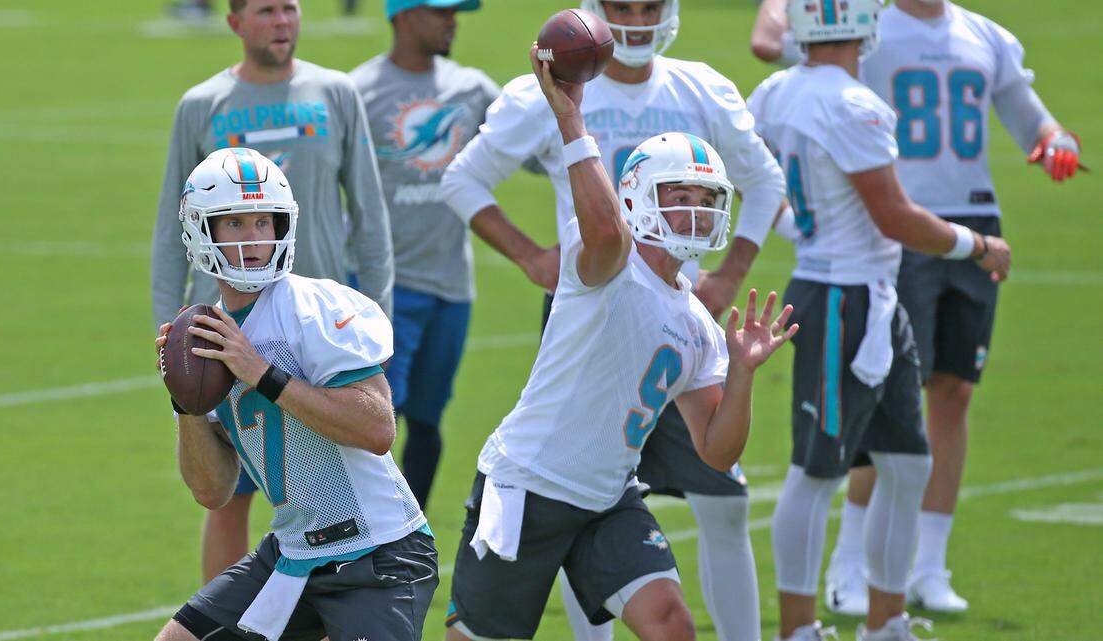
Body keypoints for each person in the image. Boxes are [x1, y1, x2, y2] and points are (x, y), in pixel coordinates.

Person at [440, 2, 785, 638]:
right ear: (636, 201)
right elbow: (601, 230)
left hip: (607, 500)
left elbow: (718, 452)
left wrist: (741, 373)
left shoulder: (699, 324)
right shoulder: (600, 261)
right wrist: (571, 118)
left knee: (672, 625)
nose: (692, 213)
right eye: (676, 197)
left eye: (705, 200)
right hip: (530, 490)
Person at [749, 0, 1084, 615]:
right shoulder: (851, 96)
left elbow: (750, 160)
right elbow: (894, 214)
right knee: (823, 465)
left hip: (871, 279)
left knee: (908, 454)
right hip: (860, 275)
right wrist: (976, 244)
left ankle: (895, 605)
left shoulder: (778, 92)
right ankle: (813, 609)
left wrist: (791, 225)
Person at [150, 0, 395, 584]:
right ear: (235, 22)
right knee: (230, 491)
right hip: (230, 326)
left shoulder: (335, 92)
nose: (281, 22)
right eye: (265, 11)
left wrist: (379, 319)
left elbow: (369, 211)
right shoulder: (202, 104)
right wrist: (174, 340)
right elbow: (170, 228)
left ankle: (349, 601)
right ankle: (226, 622)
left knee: (338, 477)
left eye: (289, 9)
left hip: (320, 330)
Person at [153, 148, 435, 641]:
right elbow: (212, 491)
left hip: (377, 553)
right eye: (235, 224)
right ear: (202, 230)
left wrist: (261, 373)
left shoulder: (315, 308)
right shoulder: (209, 335)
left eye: (264, 222)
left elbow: (376, 429)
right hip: (294, 553)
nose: (253, 240)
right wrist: (187, 403)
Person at [351, 0, 495, 511]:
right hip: (381, 292)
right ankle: (367, 546)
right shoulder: (357, 92)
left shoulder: (473, 89)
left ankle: (409, 544)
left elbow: (534, 150)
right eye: (442, 11)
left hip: (452, 288)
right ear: (404, 15)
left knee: (430, 421)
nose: (453, 20)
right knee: (376, 424)